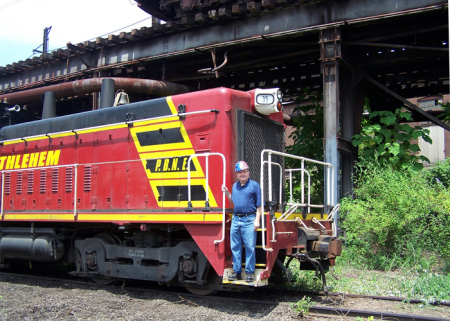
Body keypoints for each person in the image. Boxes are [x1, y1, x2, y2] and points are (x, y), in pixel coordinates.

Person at [222, 161, 262, 283]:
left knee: (250, 247)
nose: (242, 174)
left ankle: (249, 273)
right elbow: (235, 200)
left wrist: (257, 220)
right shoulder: (235, 186)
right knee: (235, 247)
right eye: (239, 172)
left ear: (249, 172)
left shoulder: (254, 186)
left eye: (244, 171)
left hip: (249, 219)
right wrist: (227, 193)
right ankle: (237, 272)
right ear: (237, 174)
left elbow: (259, 206)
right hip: (236, 219)